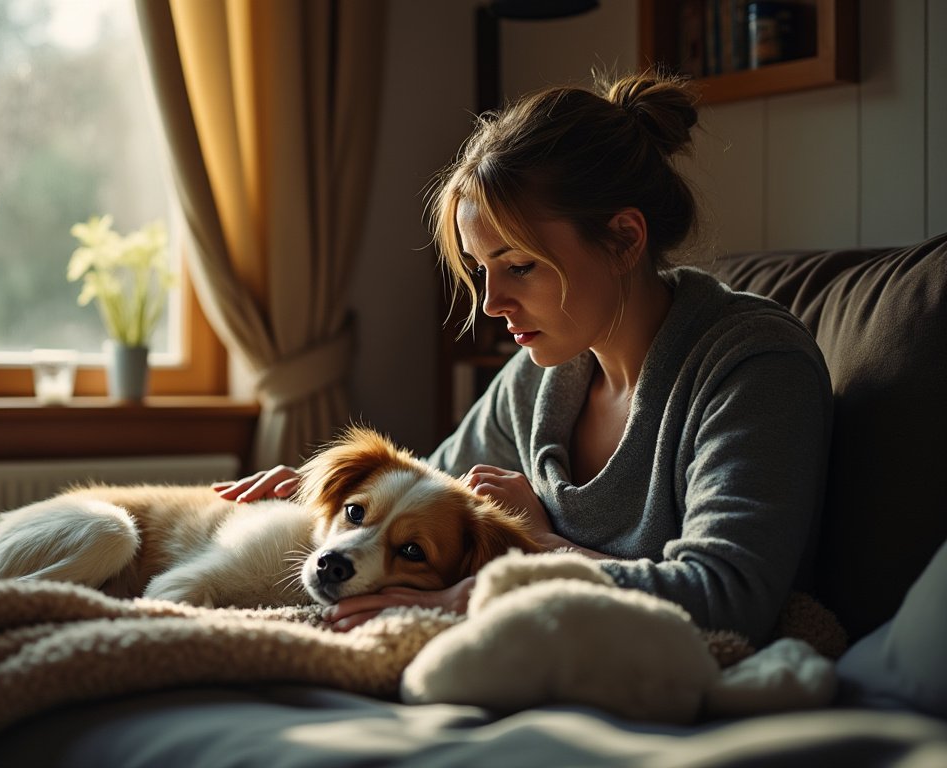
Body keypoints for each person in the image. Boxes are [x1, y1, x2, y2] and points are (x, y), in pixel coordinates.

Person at [213, 71, 833, 645]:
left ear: (623, 238)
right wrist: (324, 494)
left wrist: (522, 561)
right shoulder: (543, 379)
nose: (491, 303)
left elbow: (727, 597)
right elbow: (434, 486)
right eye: (482, 271)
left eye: (519, 267)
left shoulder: (752, 367)